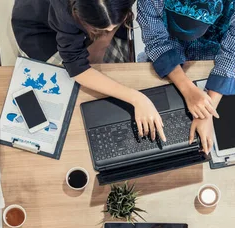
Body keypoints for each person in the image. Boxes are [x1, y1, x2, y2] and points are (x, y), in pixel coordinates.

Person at [12, 0, 167, 141]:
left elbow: (110, 24)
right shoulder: (63, 9)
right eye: (102, 28)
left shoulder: (109, 16)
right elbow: (76, 66)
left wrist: (104, 40)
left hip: (95, 16)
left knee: (114, 77)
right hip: (41, 29)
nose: (109, 29)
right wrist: (137, 98)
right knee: (67, 99)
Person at [137, 0, 235, 153]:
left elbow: (231, 56)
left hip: (224, 36)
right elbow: (156, 41)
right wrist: (188, 89)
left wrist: (206, 112)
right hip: (172, 42)